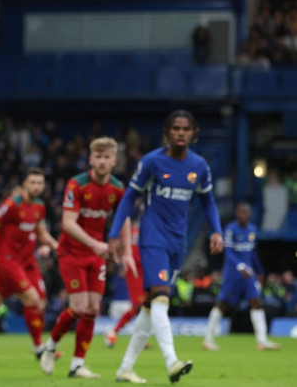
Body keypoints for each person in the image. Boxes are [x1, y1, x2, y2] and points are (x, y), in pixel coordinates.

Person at [107, 109, 223, 384]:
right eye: (175, 128)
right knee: (161, 296)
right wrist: (114, 234)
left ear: (194, 134)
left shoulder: (199, 167)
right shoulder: (151, 162)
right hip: (152, 238)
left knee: (150, 307)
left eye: (186, 129)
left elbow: (207, 202)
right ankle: (172, 361)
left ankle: (125, 368)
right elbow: (128, 198)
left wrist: (216, 230)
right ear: (167, 133)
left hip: (177, 242)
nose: (181, 133)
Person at [39, 137, 131, 378]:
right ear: (91, 160)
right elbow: (68, 224)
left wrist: (127, 252)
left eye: (106, 157)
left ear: (114, 160)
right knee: (78, 307)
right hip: (72, 251)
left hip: (96, 253)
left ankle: (77, 364)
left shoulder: (117, 188)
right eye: (98, 157)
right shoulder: (76, 184)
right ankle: (50, 346)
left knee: (92, 309)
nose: (102, 162)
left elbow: (125, 220)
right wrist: (95, 244)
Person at [0, 168, 59, 359]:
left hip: (26, 261)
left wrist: (55, 245)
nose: (36, 187)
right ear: (25, 184)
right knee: (32, 298)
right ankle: (38, 348)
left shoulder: (40, 207)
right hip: (6, 261)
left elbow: (41, 233)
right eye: (32, 182)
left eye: (40, 183)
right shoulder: (12, 204)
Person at [203, 202, 281, 351]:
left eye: (247, 212)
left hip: (249, 274)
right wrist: (240, 266)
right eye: (241, 212)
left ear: (249, 214)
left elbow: (252, 253)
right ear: (237, 213)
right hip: (233, 274)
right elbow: (228, 251)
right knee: (222, 303)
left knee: (256, 302)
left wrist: (260, 272)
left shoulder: (252, 230)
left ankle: (262, 341)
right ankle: (208, 339)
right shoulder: (230, 229)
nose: (244, 215)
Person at [104, 219, 146, 349]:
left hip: (144, 269)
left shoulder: (146, 226)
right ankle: (113, 332)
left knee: (144, 307)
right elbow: (121, 245)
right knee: (139, 306)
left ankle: (140, 337)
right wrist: (123, 264)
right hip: (134, 270)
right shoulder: (131, 228)